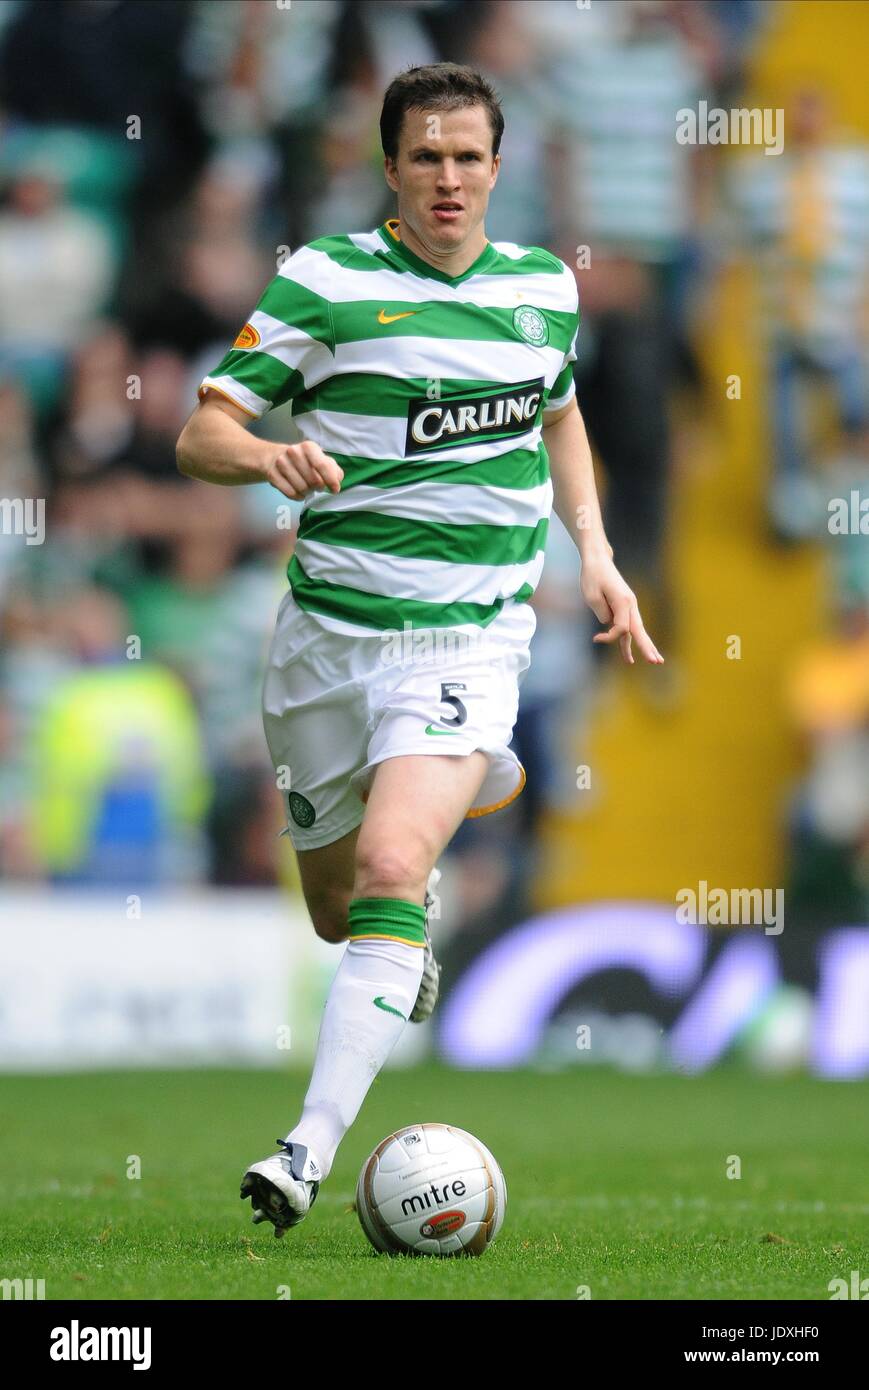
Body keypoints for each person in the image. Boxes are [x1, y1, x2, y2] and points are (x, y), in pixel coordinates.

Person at [175, 63, 663, 1238]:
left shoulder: (543, 288)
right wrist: (265, 459)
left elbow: (558, 414)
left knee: (392, 871)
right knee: (342, 912)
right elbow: (203, 431)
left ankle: (302, 1152)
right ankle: (407, 914)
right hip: (324, 645)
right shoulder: (325, 281)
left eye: (468, 157)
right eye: (426, 156)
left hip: (468, 639)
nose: (448, 177)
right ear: (388, 165)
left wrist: (592, 551)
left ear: (497, 168)